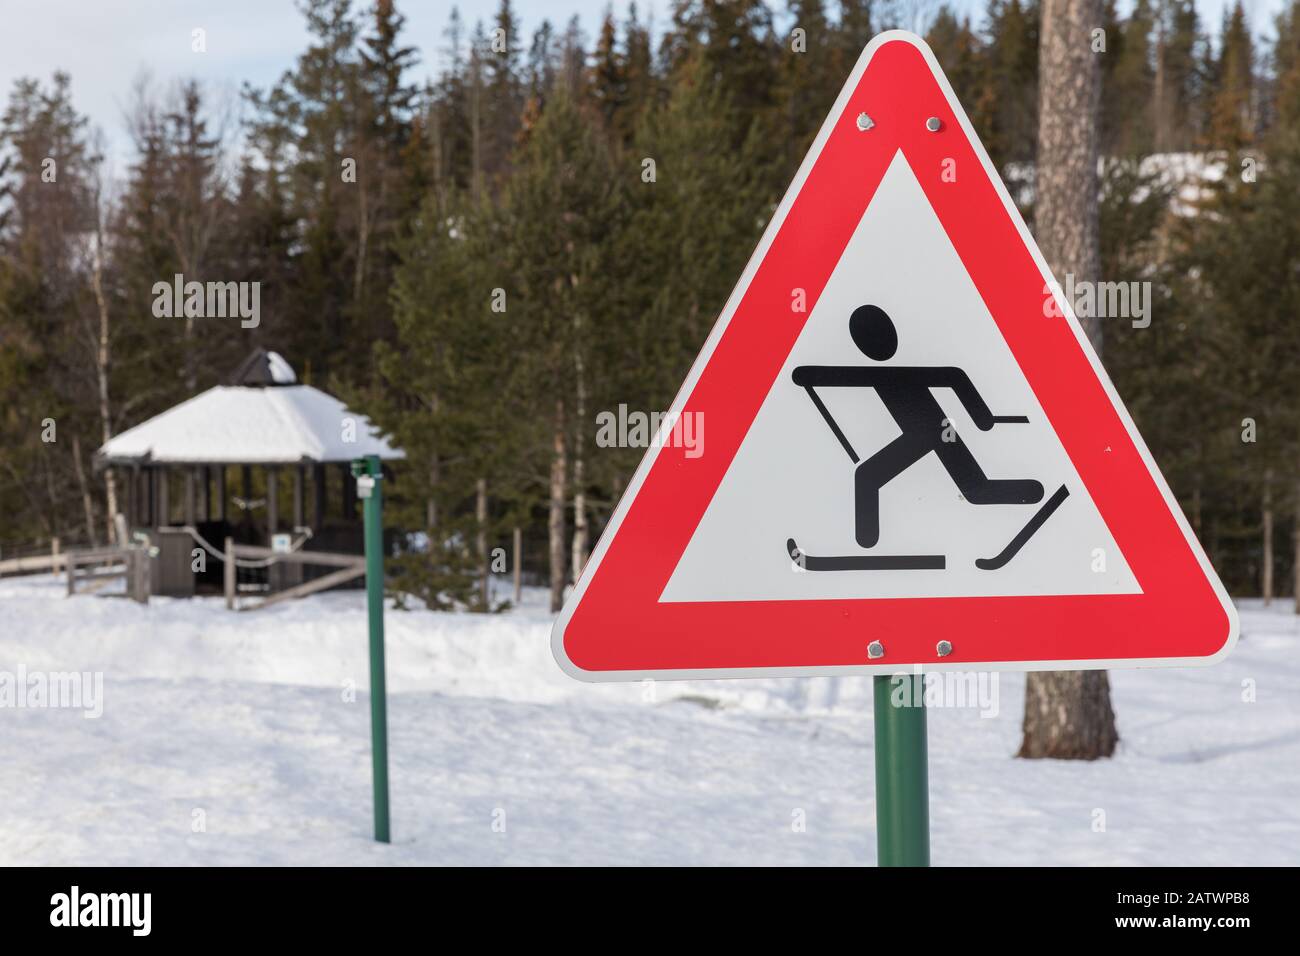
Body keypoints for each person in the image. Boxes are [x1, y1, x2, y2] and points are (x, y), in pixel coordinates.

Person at [792, 304, 1044, 549]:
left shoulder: (888, 373)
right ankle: (866, 545)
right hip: (927, 435)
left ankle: (1032, 492)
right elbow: (956, 378)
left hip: (935, 432)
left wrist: (984, 419)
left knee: (872, 478)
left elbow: (954, 378)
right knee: (971, 488)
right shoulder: (889, 372)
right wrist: (984, 420)